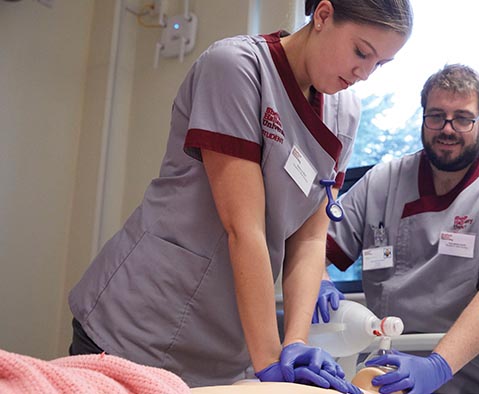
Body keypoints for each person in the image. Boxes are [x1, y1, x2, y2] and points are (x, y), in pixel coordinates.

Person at [67, 0, 412, 391]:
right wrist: (269, 363)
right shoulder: (236, 67)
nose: (363, 74)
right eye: (361, 52)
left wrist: (294, 344)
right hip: (141, 320)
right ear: (323, 15)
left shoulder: (345, 110)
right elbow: (243, 227)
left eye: (380, 64)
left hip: (226, 342)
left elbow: (310, 236)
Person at [315, 64, 479, 393]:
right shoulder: (383, 182)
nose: (447, 129)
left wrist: (437, 366)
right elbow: (312, 247)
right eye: (436, 116)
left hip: (478, 380)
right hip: (386, 373)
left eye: (463, 118)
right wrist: (320, 286)